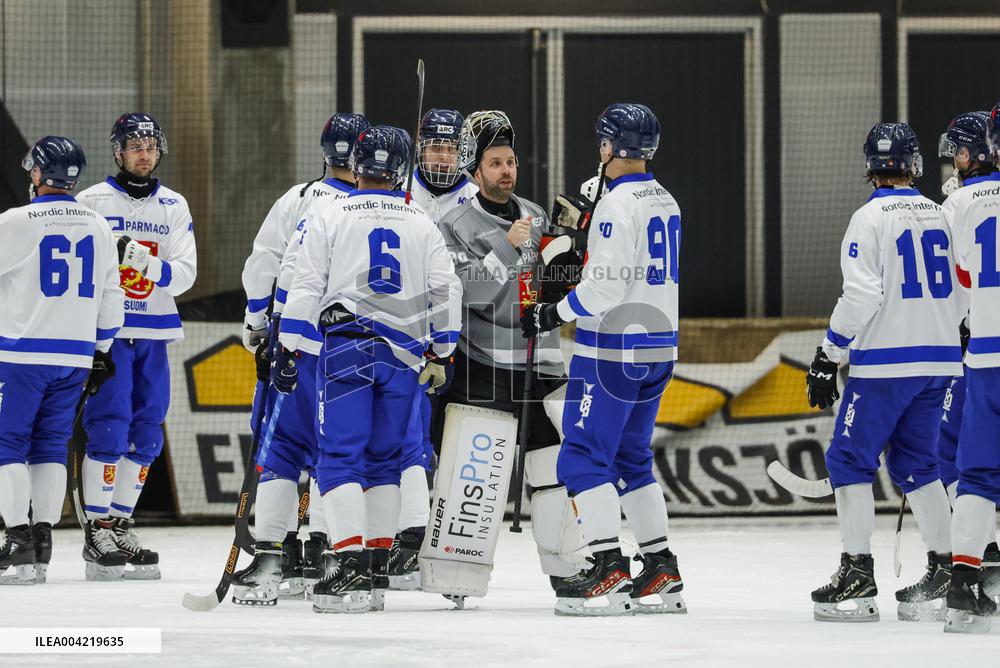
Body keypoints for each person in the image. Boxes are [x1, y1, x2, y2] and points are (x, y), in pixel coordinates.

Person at [275, 125, 462, 614]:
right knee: (384, 459)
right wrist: (443, 351)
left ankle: (349, 565)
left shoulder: (330, 212)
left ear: (357, 165)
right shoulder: (421, 220)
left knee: (338, 456)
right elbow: (447, 290)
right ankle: (377, 566)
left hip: (346, 351)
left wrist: (288, 346)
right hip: (405, 358)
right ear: (401, 169)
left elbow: (305, 282)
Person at [521, 102, 685, 617]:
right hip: (659, 346)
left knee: (582, 458)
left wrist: (550, 313)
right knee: (632, 458)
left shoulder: (617, 204)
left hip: (610, 351)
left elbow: (600, 289)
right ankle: (661, 568)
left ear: (611, 147)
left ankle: (608, 568)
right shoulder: (667, 200)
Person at [801, 122, 961, 623]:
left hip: (886, 365)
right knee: (918, 465)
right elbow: (964, 287)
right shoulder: (942, 214)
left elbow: (862, 296)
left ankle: (857, 572)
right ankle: (946, 567)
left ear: (870, 166)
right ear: (913, 165)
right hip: (938, 360)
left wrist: (829, 354)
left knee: (848, 460)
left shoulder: (868, 219)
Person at [437, 110, 585, 592]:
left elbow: (549, 286)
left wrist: (571, 258)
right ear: (475, 171)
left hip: (540, 361)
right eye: (496, 162)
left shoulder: (535, 213)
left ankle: (566, 573)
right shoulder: (454, 223)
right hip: (484, 364)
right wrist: (505, 246)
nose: (507, 171)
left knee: (551, 468)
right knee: (473, 475)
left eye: (512, 161)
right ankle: (457, 576)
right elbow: (465, 294)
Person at [235, 112, 369, 604]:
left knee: (282, 447)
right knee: (340, 452)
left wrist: (256, 322)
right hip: (356, 351)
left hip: (298, 343)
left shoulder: (300, 199)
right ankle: (329, 552)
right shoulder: (389, 207)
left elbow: (265, 264)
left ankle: (273, 553)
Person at [76, 113, 197, 580]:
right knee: (108, 427)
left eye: (150, 145)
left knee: (147, 431)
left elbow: (185, 275)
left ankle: (121, 521)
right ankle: (96, 531)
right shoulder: (92, 202)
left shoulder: (173, 205)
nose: (144, 153)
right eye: (135, 145)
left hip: (156, 332)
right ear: (118, 152)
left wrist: (142, 261)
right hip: (109, 331)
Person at [0, 136, 122, 584]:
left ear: (37, 173)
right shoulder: (98, 224)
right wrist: (102, 350)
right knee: (50, 445)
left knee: (6, 444)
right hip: (75, 355)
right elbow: (113, 295)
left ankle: (16, 543)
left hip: (22, 354)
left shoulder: (17, 221)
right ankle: (43, 540)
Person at [389, 107, 478, 590]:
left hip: (469, 341)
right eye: (435, 145)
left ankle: (456, 541)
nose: (442, 155)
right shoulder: (397, 192)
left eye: (450, 146)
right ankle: (410, 534)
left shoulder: (477, 196)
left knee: (456, 443)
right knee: (412, 440)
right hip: (411, 338)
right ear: (420, 148)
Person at [940, 101, 1000, 633]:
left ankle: (964, 583)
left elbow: (957, 281)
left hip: (984, 355)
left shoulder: (960, 204)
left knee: (977, 471)